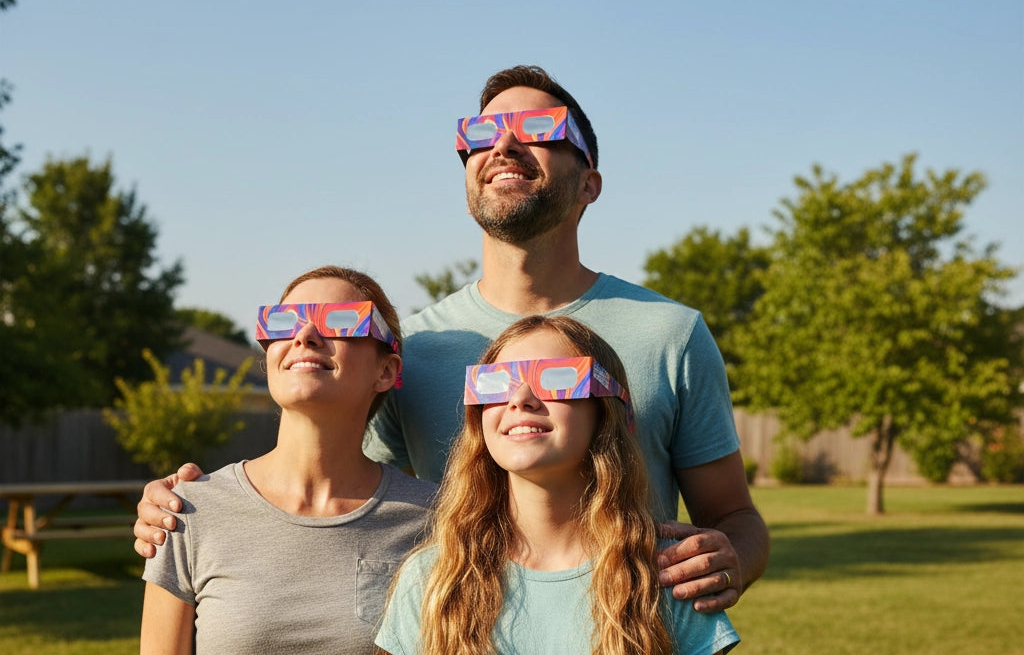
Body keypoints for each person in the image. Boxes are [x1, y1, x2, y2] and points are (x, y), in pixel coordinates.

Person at [132, 65, 768, 612]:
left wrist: (731, 557)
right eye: (482, 135)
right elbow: (339, 495)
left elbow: (736, 517)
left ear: (589, 184)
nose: (506, 146)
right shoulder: (416, 351)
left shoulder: (671, 332)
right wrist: (194, 506)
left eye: (540, 132)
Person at [376, 315, 739, 655]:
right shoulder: (432, 581)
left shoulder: (669, 581)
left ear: (609, 411)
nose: (521, 396)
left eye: (556, 379)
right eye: (496, 383)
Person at [122, 266, 435, 655]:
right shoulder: (189, 512)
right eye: (286, 322)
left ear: (386, 370)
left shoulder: (431, 522)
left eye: (341, 323)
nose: (307, 336)